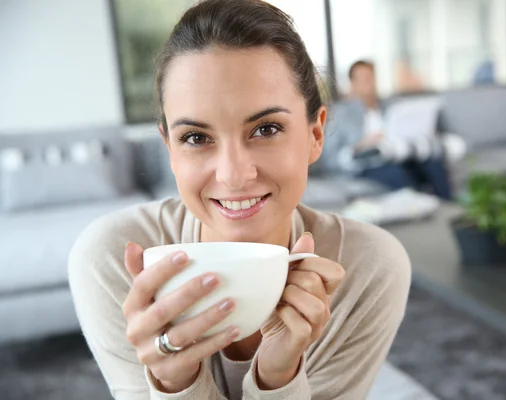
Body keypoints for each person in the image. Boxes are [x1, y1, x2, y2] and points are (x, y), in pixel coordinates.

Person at [68, 1, 411, 399]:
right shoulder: (112, 260)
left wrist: (278, 377)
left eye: (266, 129)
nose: (233, 174)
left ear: (315, 134)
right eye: (196, 138)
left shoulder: (366, 268)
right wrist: (173, 383)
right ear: (169, 149)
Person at [322, 60, 454, 200]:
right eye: (363, 78)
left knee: (433, 163)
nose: (369, 82)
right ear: (353, 83)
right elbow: (330, 158)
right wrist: (361, 146)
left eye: (371, 77)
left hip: (398, 155)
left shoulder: (391, 106)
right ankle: (416, 209)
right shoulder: (341, 114)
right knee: (398, 175)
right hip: (369, 163)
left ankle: (451, 209)